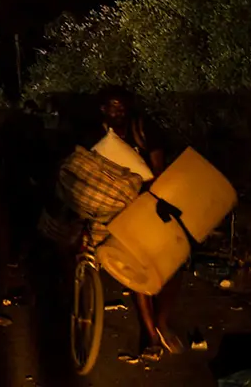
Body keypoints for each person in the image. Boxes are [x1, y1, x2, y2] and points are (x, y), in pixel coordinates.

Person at [91, 87, 178, 361]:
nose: (119, 111)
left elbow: (158, 172)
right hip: (121, 209)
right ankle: (151, 335)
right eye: (113, 106)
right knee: (137, 270)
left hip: (151, 204)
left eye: (122, 106)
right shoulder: (100, 133)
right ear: (104, 109)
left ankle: (161, 322)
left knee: (172, 269)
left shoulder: (143, 128)